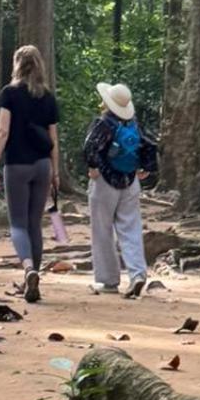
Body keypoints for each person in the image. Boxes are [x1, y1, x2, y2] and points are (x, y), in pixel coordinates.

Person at [0, 45, 59, 303]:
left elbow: (2, 131)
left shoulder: (9, 93)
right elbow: (53, 137)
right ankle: (34, 276)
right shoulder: (47, 96)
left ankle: (28, 269)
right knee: (34, 225)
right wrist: (56, 172)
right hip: (42, 165)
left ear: (17, 64)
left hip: (17, 164)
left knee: (17, 223)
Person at [83, 80, 158, 298]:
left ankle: (108, 281)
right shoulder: (133, 123)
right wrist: (146, 168)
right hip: (129, 180)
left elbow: (89, 147)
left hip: (105, 181)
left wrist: (93, 166)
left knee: (102, 230)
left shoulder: (104, 123)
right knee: (131, 228)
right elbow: (149, 145)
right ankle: (137, 274)